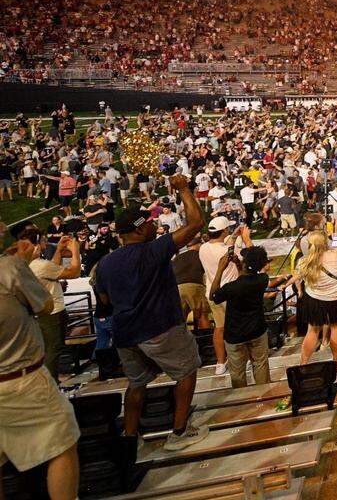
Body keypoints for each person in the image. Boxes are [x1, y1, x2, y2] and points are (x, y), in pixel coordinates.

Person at [93, 174, 209, 451]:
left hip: (125, 332)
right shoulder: (152, 251)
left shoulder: (105, 264)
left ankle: (131, 437)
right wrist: (183, 188)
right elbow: (195, 223)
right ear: (137, 229)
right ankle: (179, 433)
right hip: (160, 327)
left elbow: (105, 300)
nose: (153, 224)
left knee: (136, 384)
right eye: (148, 222)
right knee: (186, 371)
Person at [0, 236, 81, 500]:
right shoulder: (10, 267)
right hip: (20, 376)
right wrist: (23, 263)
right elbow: (45, 304)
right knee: (62, 443)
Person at [208, 245, 288, 388]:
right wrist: (239, 266)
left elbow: (213, 295)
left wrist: (220, 269)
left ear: (246, 264)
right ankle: (263, 394)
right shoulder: (262, 279)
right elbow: (245, 279)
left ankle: (242, 399)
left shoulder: (231, 287)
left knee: (238, 372)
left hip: (235, 335)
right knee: (260, 365)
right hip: (257, 330)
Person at [295, 227, 337, 366]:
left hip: (315, 299)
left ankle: (303, 363)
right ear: (326, 243)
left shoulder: (304, 262)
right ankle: (336, 360)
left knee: (312, 330)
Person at [198, 216, 248, 375]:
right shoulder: (228, 251)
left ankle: (220, 362)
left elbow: (220, 246)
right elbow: (248, 258)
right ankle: (242, 360)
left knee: (219, 328)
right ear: (224, 231)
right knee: (239, 327)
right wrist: (245, 239)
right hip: (231, 294)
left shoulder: (203, 248)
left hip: (213, 293)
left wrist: (233, 237)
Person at [28, 234, 82, 378]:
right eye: (42, 240)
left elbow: (52, 269)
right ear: (36, 246)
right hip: (53, 313)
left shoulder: (28, 265)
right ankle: (52, 383)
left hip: (40, 312)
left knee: (48, 349)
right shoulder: (40, 265)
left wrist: (58, 250)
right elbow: (75, 272)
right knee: (53, 350)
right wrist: (75, 250)